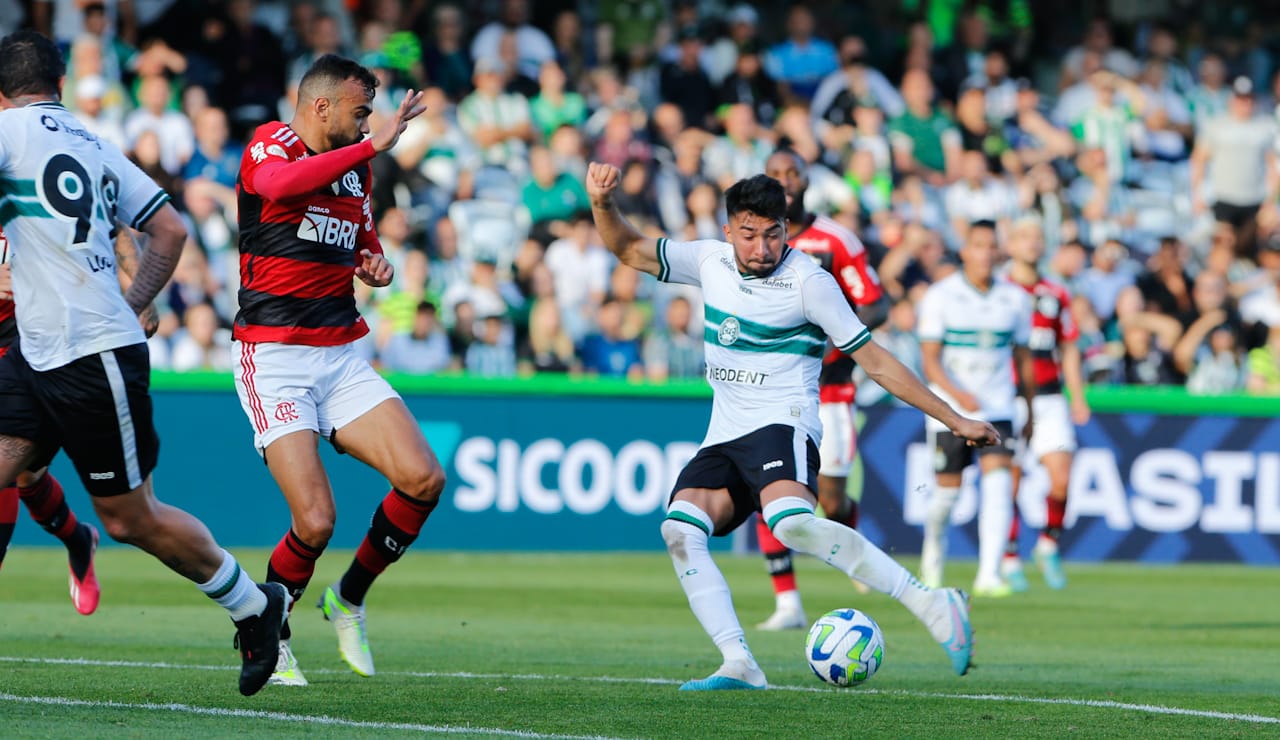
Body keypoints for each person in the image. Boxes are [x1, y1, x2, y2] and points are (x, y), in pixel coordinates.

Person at [586, 163, 996, 688]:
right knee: (680, 531)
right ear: (730, 229)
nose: (762, 248)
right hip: (725, 433)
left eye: (773, 234)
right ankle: (740, 662)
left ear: (787, 229)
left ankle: (931, 603)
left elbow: (877, 362)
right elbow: (629, 249)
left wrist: (955, 418)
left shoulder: (809, 282)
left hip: (785, 424)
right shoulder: (708, 259)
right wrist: (602, 203)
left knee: (790, 523)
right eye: (750, 235)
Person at [0, 30, 286, 697]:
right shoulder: (95, 142)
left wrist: (121, 315)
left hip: (90, 356)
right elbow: (170, 230)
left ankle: (254, 606)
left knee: (132, 518)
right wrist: (133, 302)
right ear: (61, 83)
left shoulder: (9, 137)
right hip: (47, 348)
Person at [233, 54, 444, 688]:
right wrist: (369, 149)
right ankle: (271, 630)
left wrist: (372, 265)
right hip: (274, 359)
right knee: (316, 521)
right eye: (360, 112)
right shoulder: (270, 144)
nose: (368, 125)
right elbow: (276, 191)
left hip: (339, 354)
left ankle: (348, 598)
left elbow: (363, 240)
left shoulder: (358, 172)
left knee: (424, 479)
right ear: (321, 106)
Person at [753, 147, 891, 631]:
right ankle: (787, 602)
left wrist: (838, 336)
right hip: (768, 389)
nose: (785, 182)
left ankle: (850, 541)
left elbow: (875, 304)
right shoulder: (754, 244)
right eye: (776, 174)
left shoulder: (835, 239)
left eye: (793, 173)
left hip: (829, 392)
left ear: (807, 180)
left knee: (829, 500)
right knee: (768, 491)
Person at [917, 220, 1036, 598]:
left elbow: (1023, 357)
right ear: (965, 251)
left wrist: (1028, 407)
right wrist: (959, 396)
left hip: (998, 407)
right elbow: (930, 361)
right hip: (949, 409)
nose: (984, 253)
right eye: (977, 245)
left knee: (999, 486)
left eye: (990, 246)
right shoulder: (940, 296)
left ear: (999, 253)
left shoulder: (1016, 299)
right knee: (947, 496)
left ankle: (989, 574)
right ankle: (933, 555)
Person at [0, 226, 100, 614]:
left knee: (12, 466)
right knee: (28, 477)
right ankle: (77, 539)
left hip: (25, 348)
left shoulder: (32, 196)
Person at [1000, 220, 1090, 592]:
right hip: (1010, 395)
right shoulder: (999, 290)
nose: (1033, 243)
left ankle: (1049, 543)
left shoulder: (1056, 291)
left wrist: (1078, 395)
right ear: (1011, 244)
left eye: (1038, 236)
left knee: (1062, 479)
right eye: (1025, 236)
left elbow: (1067, 346)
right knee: (1011, 482)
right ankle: (1008, 557)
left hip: (1051, 395)